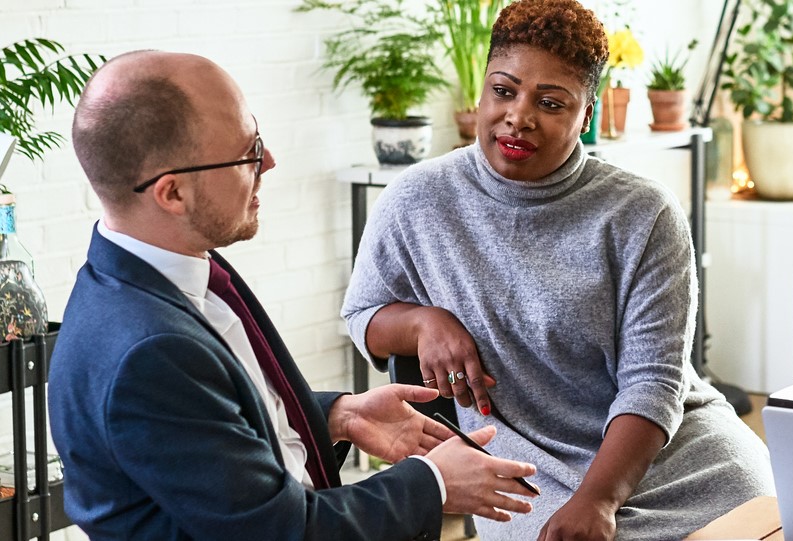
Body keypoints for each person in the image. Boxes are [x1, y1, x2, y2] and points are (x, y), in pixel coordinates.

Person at [49, 51, 540, 540]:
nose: (269, 162)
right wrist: (434, 484)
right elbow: (282, 531)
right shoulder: (150, 352)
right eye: (248, 152)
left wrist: (337, 415)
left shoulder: (171, 269)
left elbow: (214, 440)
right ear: (172, 194)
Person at [339, 1, 774, 539]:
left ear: (587, 114)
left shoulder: (643, 214)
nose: (519, 115)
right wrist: (422, 323)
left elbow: (653, 383)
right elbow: (363, 315)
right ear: (482, 91)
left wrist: (599, 500)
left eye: (550, 102)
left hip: (673, 450)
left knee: (783, 522)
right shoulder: (416, 199)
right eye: (504, 91)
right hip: (528, 467)